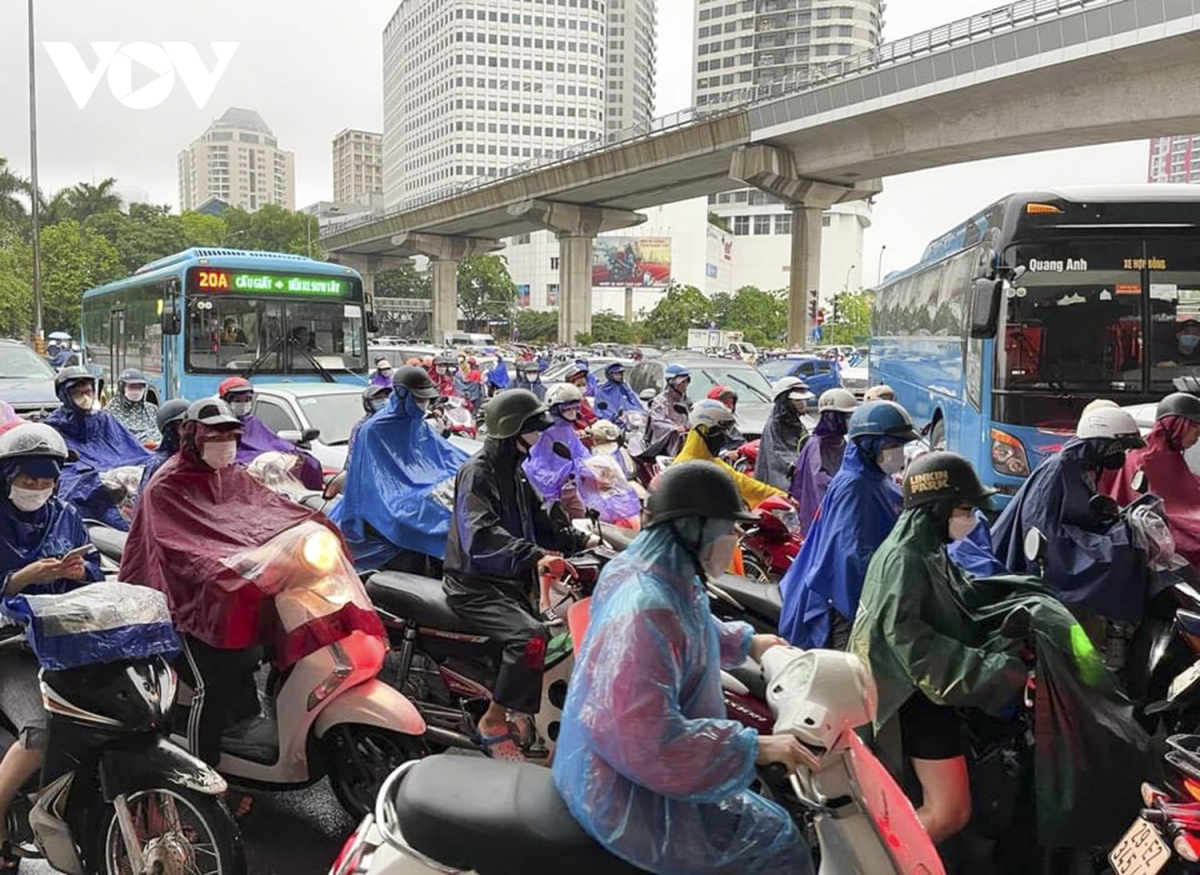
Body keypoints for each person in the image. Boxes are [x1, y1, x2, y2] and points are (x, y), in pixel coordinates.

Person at [553, 461, 816, 875]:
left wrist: (750, 642)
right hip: (625, 793)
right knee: (774, 839)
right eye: (727, 527)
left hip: (611, 768)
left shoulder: (653, 573)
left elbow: (690, 624)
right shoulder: (645, 609)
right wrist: (754, 747)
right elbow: (645, 738)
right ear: (691, 528)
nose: (733, 537)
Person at [121, 398, 355, 772]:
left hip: (231, 592)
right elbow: (179, 553)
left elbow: (265, 512)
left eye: (231, 436)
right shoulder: (167, 484)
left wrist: (312, 524)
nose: (225, 445)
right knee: (209, 686)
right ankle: (199, 775)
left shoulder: (232, 474)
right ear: (193, 438)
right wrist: (228, 567)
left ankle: (244, 735)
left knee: (252, 657)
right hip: (182, 603)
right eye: (216, 437)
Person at [850, 452, 1022, 847]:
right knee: (948, 811)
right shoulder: (905, 559)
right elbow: (914, 645)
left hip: (918, 693)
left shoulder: (926, 550)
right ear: (938, 509)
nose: (971, 519)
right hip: (913, 698)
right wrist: (997, 672)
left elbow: (960, 599)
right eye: (965, 509)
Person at [442, 389, 592, 760]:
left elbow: (544, 524)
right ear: (513, 431)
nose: (539, 436)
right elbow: (482, 536)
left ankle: (525, 712)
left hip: (509, 582)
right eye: (532, 429)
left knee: (561, 636)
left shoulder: (516, 473)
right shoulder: (478, 473)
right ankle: (493, 721)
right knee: (530, 638)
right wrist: (535, 556)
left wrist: (583, 542)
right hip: (474, 585)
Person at [0, 424, 103, 864]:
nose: (37, 490)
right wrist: (23, 579)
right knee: (42, 731)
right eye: (28, 481)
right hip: (12, 648)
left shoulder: (66, 514)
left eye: (46, 482)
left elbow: (95, 570)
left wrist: (81, 574)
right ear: (8, 479)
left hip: (66, 640)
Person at [991, 405, 1148, 641]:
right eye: (1121, 447)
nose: (1123, 454)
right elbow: (1044, 534)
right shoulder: (1058, 470)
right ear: (1101, 443)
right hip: (1044, 577)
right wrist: (1108, 545)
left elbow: (1083, 515)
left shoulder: (1083, 469)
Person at [778, 400, 920, 649]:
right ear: (869, 444)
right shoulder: (854, 486)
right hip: (844, 599)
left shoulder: (878, 478)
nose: (898, 451)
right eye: (892, 444)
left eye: (901, 445)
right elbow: (850, 556)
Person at [331, 367, 469, 573]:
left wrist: (472, 467)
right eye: (419, 399)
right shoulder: (373, 430)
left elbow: (444, 455)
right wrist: (409, 495)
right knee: (422, 519)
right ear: (402, 394)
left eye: (426, 400)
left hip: (420, 493)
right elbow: (372, 483)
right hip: (386, 502)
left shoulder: (418, 424)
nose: (423, 405)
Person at [44, 367, 153, 531]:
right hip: (92, 496)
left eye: (87, 390)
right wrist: (98, 480)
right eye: (77, 391)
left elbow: (134, 451)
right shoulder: (53, 428)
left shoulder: (104, 420)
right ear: (65, 394)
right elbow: (62, 477)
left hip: (126, 486)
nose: (84, 396)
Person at [1106, 392, 1200, 567]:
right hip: (1161, 546)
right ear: (1179, 426)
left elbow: (1186, 489)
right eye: (1196, 430)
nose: (1197, 438)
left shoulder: (1170, 454)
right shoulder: (1145, 459)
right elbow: (1156, 509)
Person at [676, 400, 787, 510]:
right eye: (721, 430)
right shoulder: (685, 468)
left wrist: (781, 496)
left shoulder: (713, 462)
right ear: (704, 430)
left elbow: (744, 484)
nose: (726, 436)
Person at [217, 376, 323, 490]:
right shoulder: (218, 425)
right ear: (225, 401)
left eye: (247, 400)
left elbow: (273, 442)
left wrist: (296, 453)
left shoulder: (253, 422)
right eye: (237, 401)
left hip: (271, 478)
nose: (243, 404)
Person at [790, 388, 859, 536]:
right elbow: (821, 483)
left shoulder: (840, 442)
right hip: (822, 516)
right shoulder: (817, 446)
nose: (850, 420)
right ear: (833, 417)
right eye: (847, 416)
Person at [523, 383, 590, 514]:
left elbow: (581, 453)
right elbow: (536, 468)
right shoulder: (544, 433)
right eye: (568, 408)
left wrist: (595, 466)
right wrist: (561, 475)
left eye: (576, 408)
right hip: (550, 497)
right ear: (555, 409)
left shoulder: (568, 429)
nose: (573, 412)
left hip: (572, 487)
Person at [754, 376, 812, 490]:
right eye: (797, 400)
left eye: (803, 399)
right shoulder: (777, 425)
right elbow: (780, 456)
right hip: (781, 485)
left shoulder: (794, 421)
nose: (802, 403)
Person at [140, 398, 190, 491]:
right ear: (170, 429)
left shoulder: (201, 459)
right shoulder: (159, 464)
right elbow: (145, 499)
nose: (188, 430)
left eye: (191, 424)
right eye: (182, 424)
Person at [106, 368, 161, 446]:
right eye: (132, 387)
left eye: (139, 388)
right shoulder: (108, 414)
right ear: (122, 388)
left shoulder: (152, 410)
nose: (136, 391)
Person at [648, 364, 693, 456]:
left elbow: (692, 418)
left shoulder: (686, 401)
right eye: (682, 382)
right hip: (666, 446)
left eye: (686, 381)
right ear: (671, 382)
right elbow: (657, 421)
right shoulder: (660, 401)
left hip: (686, 443)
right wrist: (675, 428)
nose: (685, 385)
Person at [348, 384, 393, 458]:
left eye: (386, 397)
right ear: (368, 403)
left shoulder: (393, 422)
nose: (384, 401)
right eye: (378, 399)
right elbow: (353, 454)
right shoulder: (362, 426)